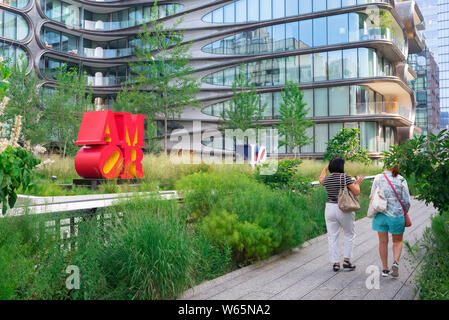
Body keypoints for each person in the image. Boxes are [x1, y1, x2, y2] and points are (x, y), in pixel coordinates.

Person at [319, 157, 364, 272]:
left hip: (329, 208)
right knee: (349, 234)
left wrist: (325, 169)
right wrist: (358, 183)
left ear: (330, 166)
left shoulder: (327, 179)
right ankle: (346, 261)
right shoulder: (346, 177)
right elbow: (356, 192)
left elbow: (320, 180)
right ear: (341, 166)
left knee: (332, 236)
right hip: (344, 208)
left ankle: (335, 263)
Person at [370, 165, 410, 277]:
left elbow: (372, 195)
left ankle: (385, 269)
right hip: (396, 215)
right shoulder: (401, 180)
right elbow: (407, 201)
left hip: (380, 214)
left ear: (386, 166)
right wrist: (404, 211)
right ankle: (395, 263)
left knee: (383, 242)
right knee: (397, 242)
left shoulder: (378, 178)